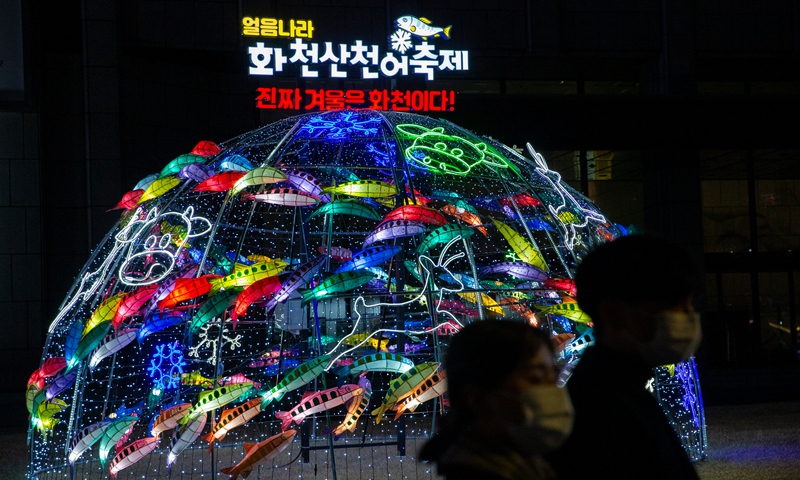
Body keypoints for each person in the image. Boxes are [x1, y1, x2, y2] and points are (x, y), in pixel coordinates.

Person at [545, 235, 703, 480]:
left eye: (689, 302)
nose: (688, 315)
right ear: (614, 313)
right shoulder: (600, 412)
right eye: (671, 303)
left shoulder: (625, 390)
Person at [420, 320, 573, 480]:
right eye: (536, 377)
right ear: (478, 398)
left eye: (553, 375)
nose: (552, 388)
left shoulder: (532, 466)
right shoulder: (485, 472)